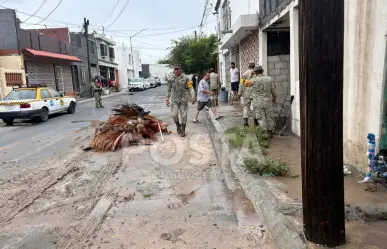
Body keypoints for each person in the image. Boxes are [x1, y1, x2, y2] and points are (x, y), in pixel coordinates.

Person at [166, 66, 195, 137]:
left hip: (183, 99)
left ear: (180, 70)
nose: (176, 70)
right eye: (175, 69)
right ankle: (178, 125)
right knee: (174, 114)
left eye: (177, 69)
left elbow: (190, 88)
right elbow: (168, 88)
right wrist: (167, 98)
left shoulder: (186, 78)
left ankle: (183, 130)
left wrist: (193, 96)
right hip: (174, 100)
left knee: (184, 115)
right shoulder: (171, 78)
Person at [250, 65, 277, 134]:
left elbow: (245, 84)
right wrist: (274, 98)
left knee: (261, 118)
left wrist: (251, 75)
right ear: (263, 71)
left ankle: (264, 134)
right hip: (267, 102)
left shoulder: (253, 80)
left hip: (257, 103)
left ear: (255, 72)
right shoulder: (269, 79)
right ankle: (270, 132)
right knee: (269, 117)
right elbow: (273, 91)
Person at [238, 62, 255, 127]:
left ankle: (245, 122)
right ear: (254, 66)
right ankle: (255, 122)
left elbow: (241, 84)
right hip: (255, 93)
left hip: (246, 93)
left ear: (248, 66)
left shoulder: (244, 74)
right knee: (255, 107)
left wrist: (239, 93)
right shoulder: (256, 73)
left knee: (246, 107)